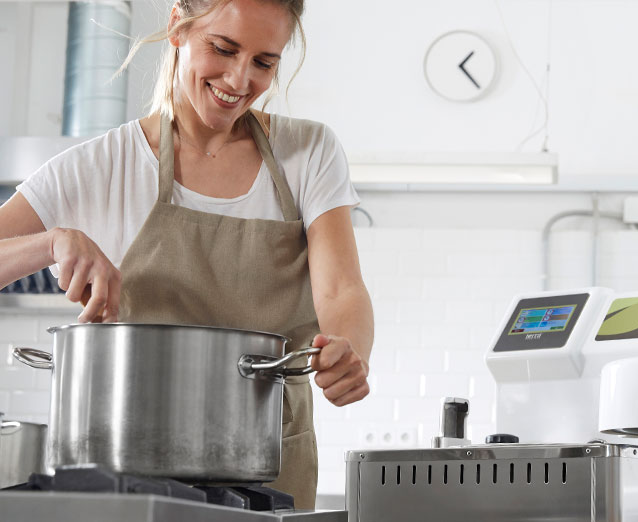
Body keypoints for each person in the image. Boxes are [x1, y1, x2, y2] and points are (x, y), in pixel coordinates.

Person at [0, 0, 373, 509]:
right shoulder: (101, 165)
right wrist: (51, 242)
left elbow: (341, 289)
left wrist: (349, 350)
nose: (240, 80)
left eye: (264, 62)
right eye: (223, 49)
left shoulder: (308, 153)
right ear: (178, 24)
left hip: (272, 465)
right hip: (131, 473)